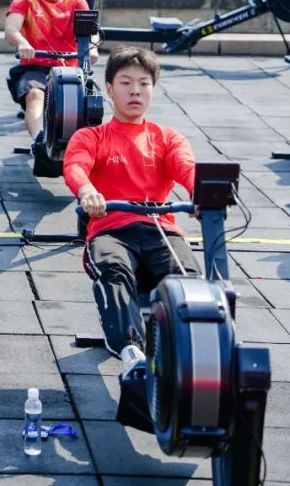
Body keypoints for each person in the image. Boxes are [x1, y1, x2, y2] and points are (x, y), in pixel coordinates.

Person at [62, 46, 200, 380]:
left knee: (189, 282)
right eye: (126, 83)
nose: (135, 91)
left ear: (153, 89)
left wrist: (200, 192)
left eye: (143, 83)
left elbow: (187, 168)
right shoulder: (91, 136)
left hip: (160, 231)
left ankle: (186, 355)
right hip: (111, 231)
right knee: (115, 269)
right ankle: (131, 353)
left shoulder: (167, 138)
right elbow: (75, 166)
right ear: (110, 89)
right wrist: (87, 191)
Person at [4, 0, 93, 176]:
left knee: (91, 106)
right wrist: (22, 42)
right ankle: (40, 141)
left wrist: (91, 47)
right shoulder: (25, 2)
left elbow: (90, 34)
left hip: (69, 70)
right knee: (35, 95)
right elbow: (11, 29)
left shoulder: (77, 2)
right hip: (35, 66)